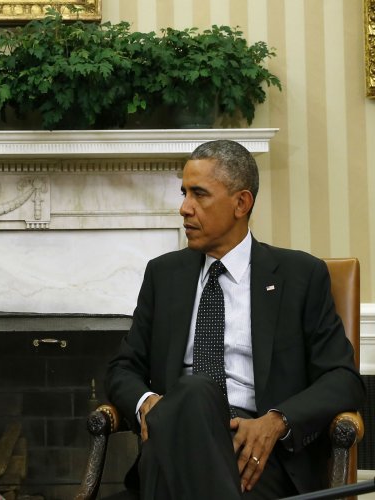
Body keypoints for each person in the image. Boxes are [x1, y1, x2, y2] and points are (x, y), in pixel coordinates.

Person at [105, 139, 364, 499]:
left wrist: (276, 421)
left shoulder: (300, 276)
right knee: (194, 391)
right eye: (184, 193)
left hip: (257, 457)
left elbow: (343, 379)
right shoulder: (164, 275)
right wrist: (146, 402)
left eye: (199, 194)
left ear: (241, 203)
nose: (184, 208)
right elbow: (122, 368)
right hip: (176, 437)